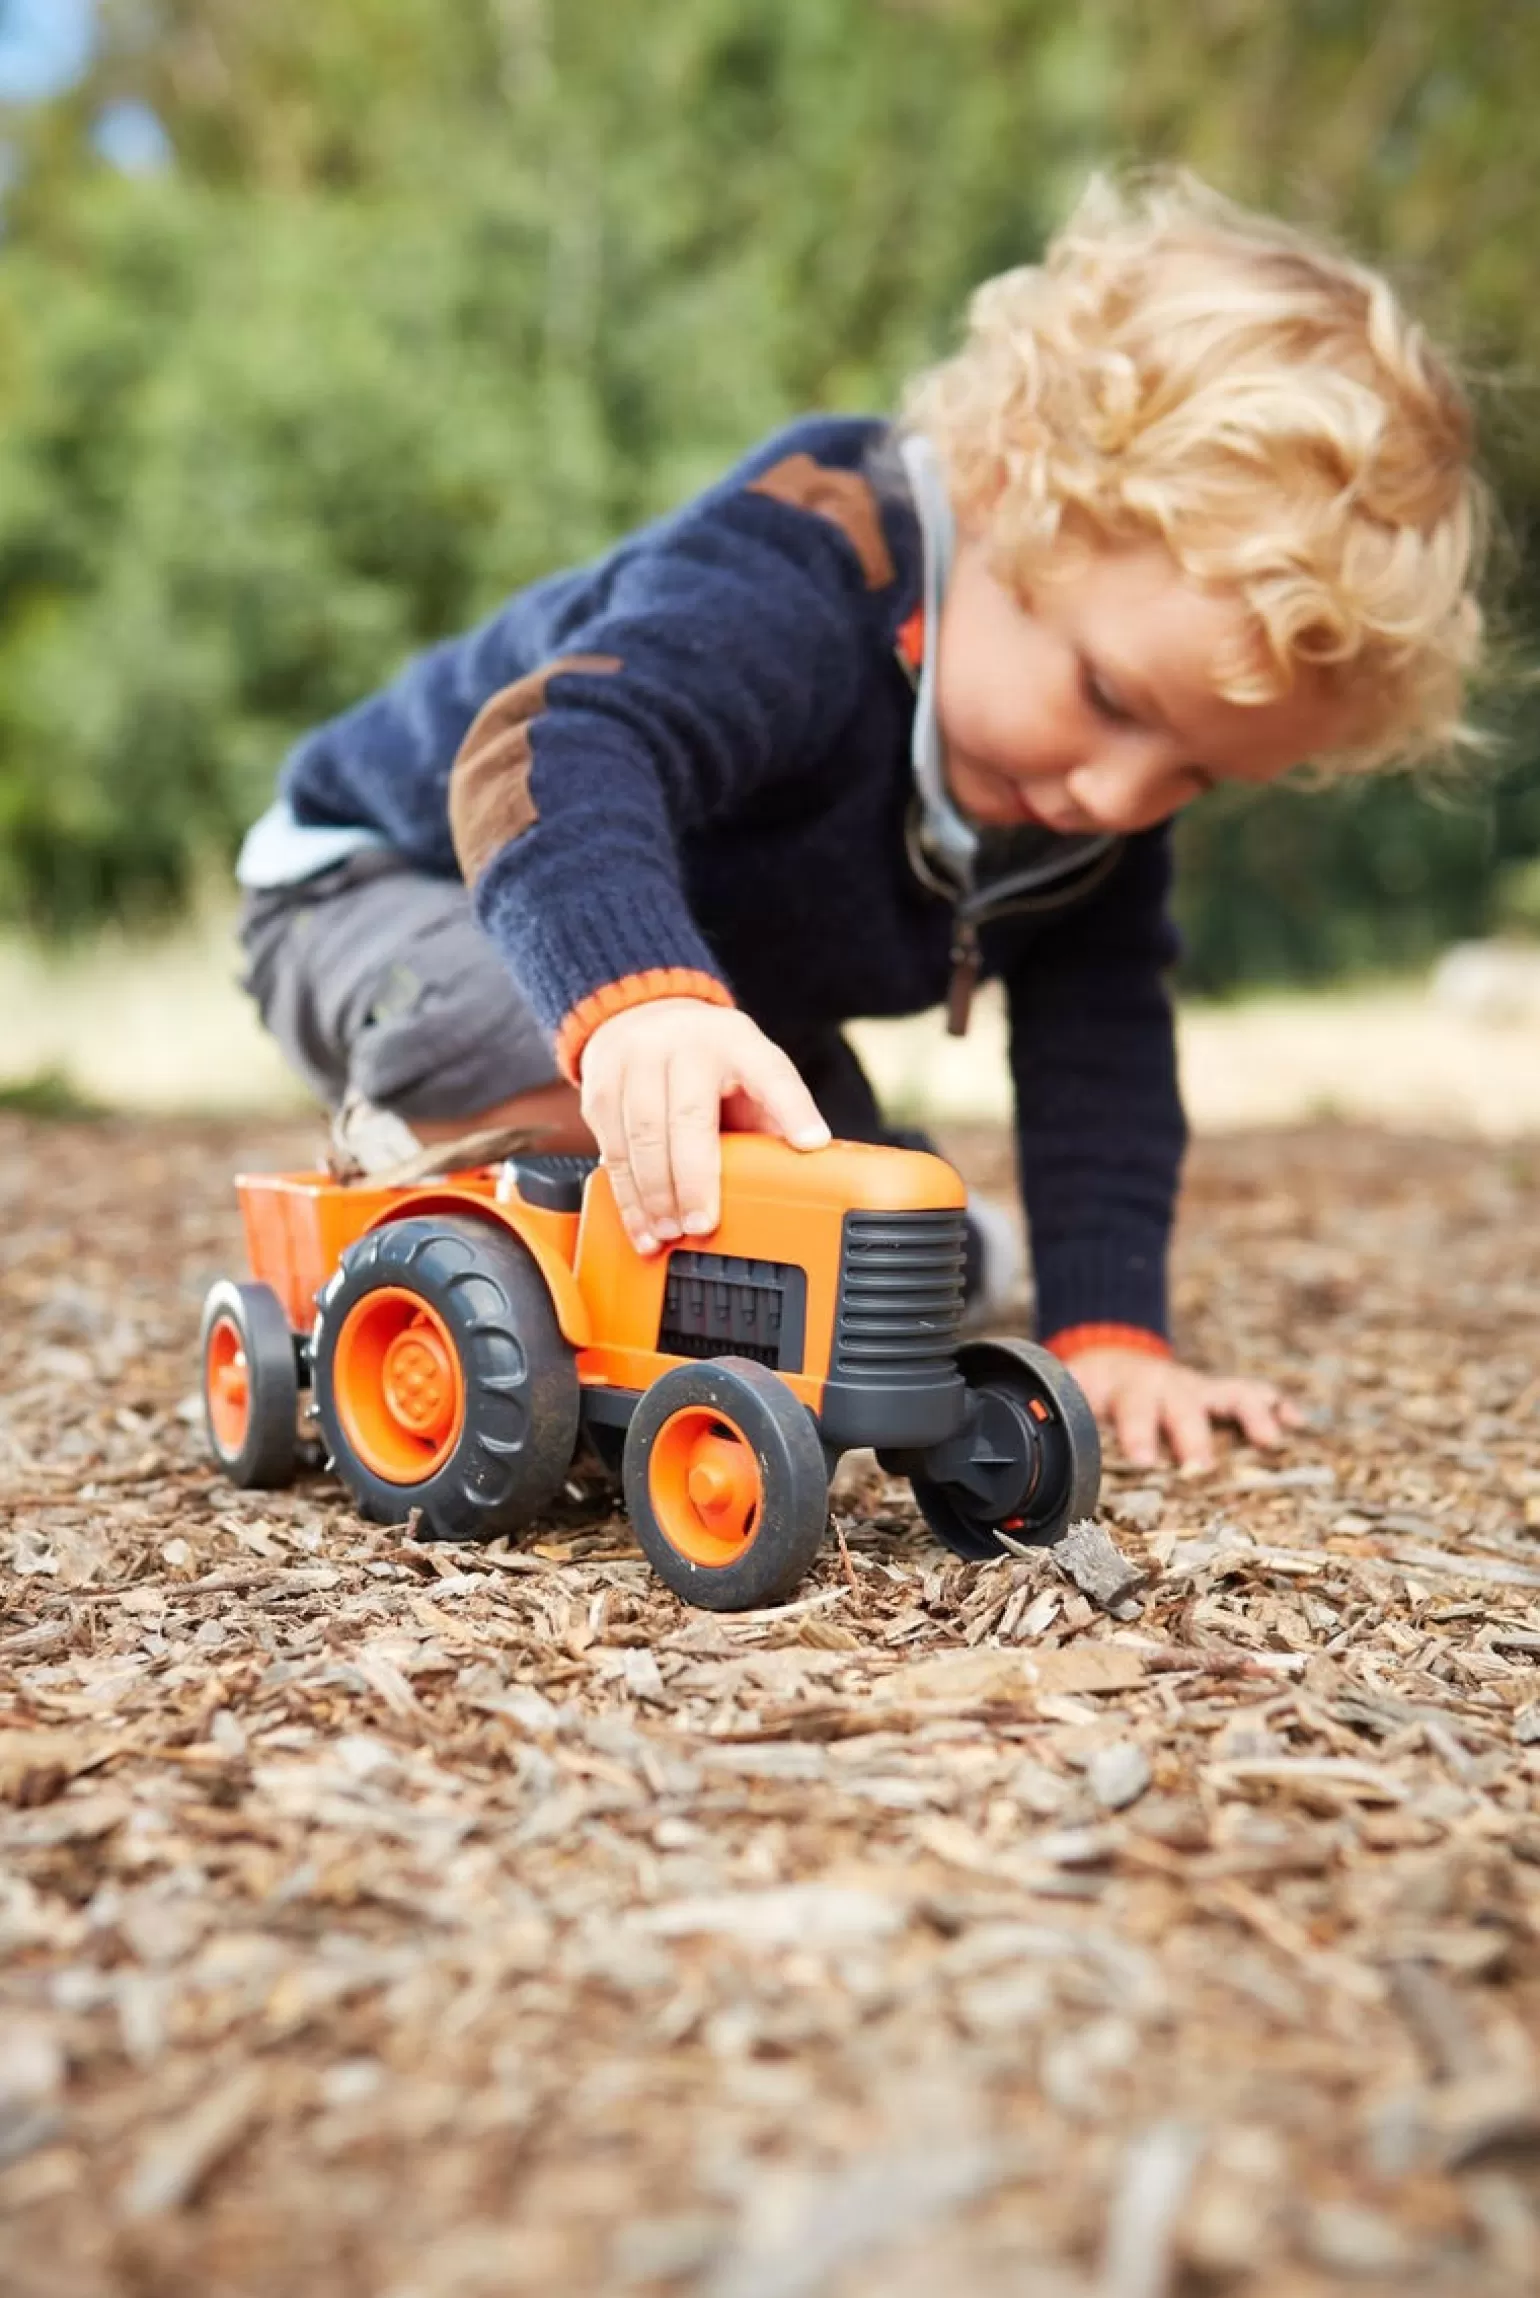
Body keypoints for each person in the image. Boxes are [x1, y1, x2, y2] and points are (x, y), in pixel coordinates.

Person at [234, 170, 1484, 1472]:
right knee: (637, 1100)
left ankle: (880, 1241)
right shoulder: (807, 568)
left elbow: (1100, 1040)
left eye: (1195, 777)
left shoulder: (1090, 796)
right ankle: (484, 1241)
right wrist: (640, 1005)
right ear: (1007, 490)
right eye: (1109, 696)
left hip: (701, 992)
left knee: (878, 1237)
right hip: (392, 889)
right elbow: (553, 746)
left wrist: (1110, 1328)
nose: (1121, 798)